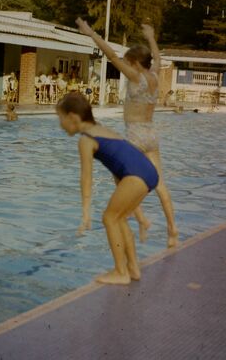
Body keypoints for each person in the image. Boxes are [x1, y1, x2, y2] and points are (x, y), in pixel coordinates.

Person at [75, 17, 178, 248]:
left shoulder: (136, 76)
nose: (126, 64)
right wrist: (151, 36)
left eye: (128, 61)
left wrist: (91, 33)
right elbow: (158, 58)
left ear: (134, 63)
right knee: (160, 183)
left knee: (119, 175)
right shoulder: (154, 74)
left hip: (135, 136)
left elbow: (111, 55)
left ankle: (141, 218)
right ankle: (172, 230)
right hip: (152, 135)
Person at [56, 92, 159, 285]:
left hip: (135, 175)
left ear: (73, 117)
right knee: (119, 218)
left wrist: (86, 213)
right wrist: (140, 216)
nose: (60, 124)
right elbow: (118, 166)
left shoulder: (86, 139)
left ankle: (121, 271)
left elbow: (86, 178)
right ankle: (133, 268)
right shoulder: (102, 130)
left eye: (60, 118)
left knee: (109, 218)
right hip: (147, 171)